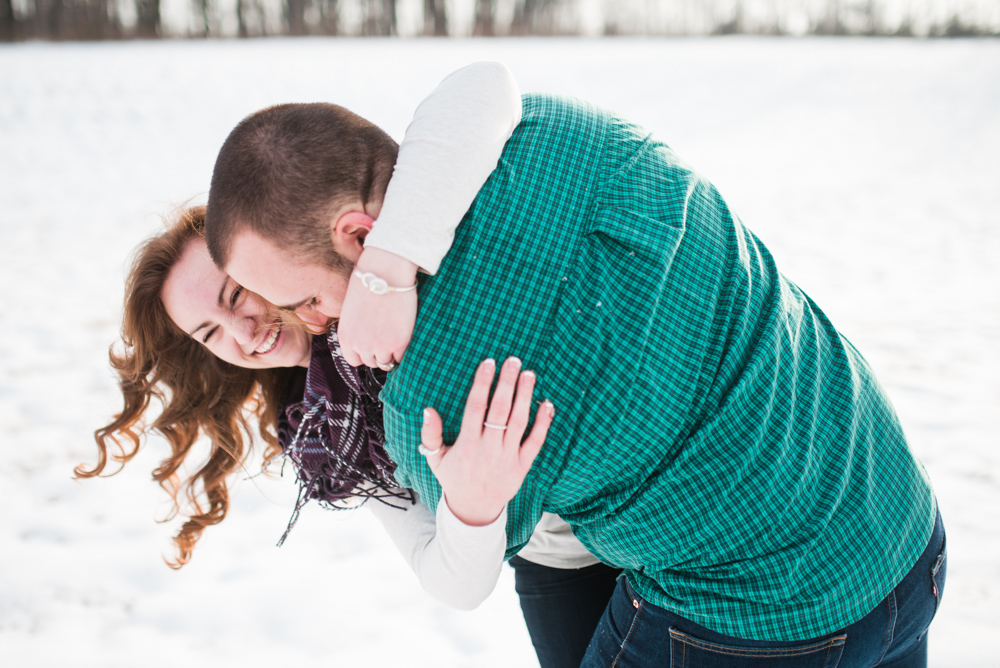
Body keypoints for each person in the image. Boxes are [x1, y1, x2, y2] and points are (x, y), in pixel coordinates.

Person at [204, 84, 947, 667]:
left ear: (359, 235)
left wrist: (466, 502)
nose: (312, 323)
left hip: (764, 619)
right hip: (902, 530)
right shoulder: (557, 127)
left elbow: (459, 576)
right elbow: (478, 89)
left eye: (305, 297)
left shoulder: (430, 397)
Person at [85, 206, 620, 666]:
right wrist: (472, 506)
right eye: (210, 333)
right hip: (555, 552)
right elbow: (453, 580)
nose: (243, 334)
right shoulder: (323, 425)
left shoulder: (398, 270)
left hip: (633, 487)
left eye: (236, 294)